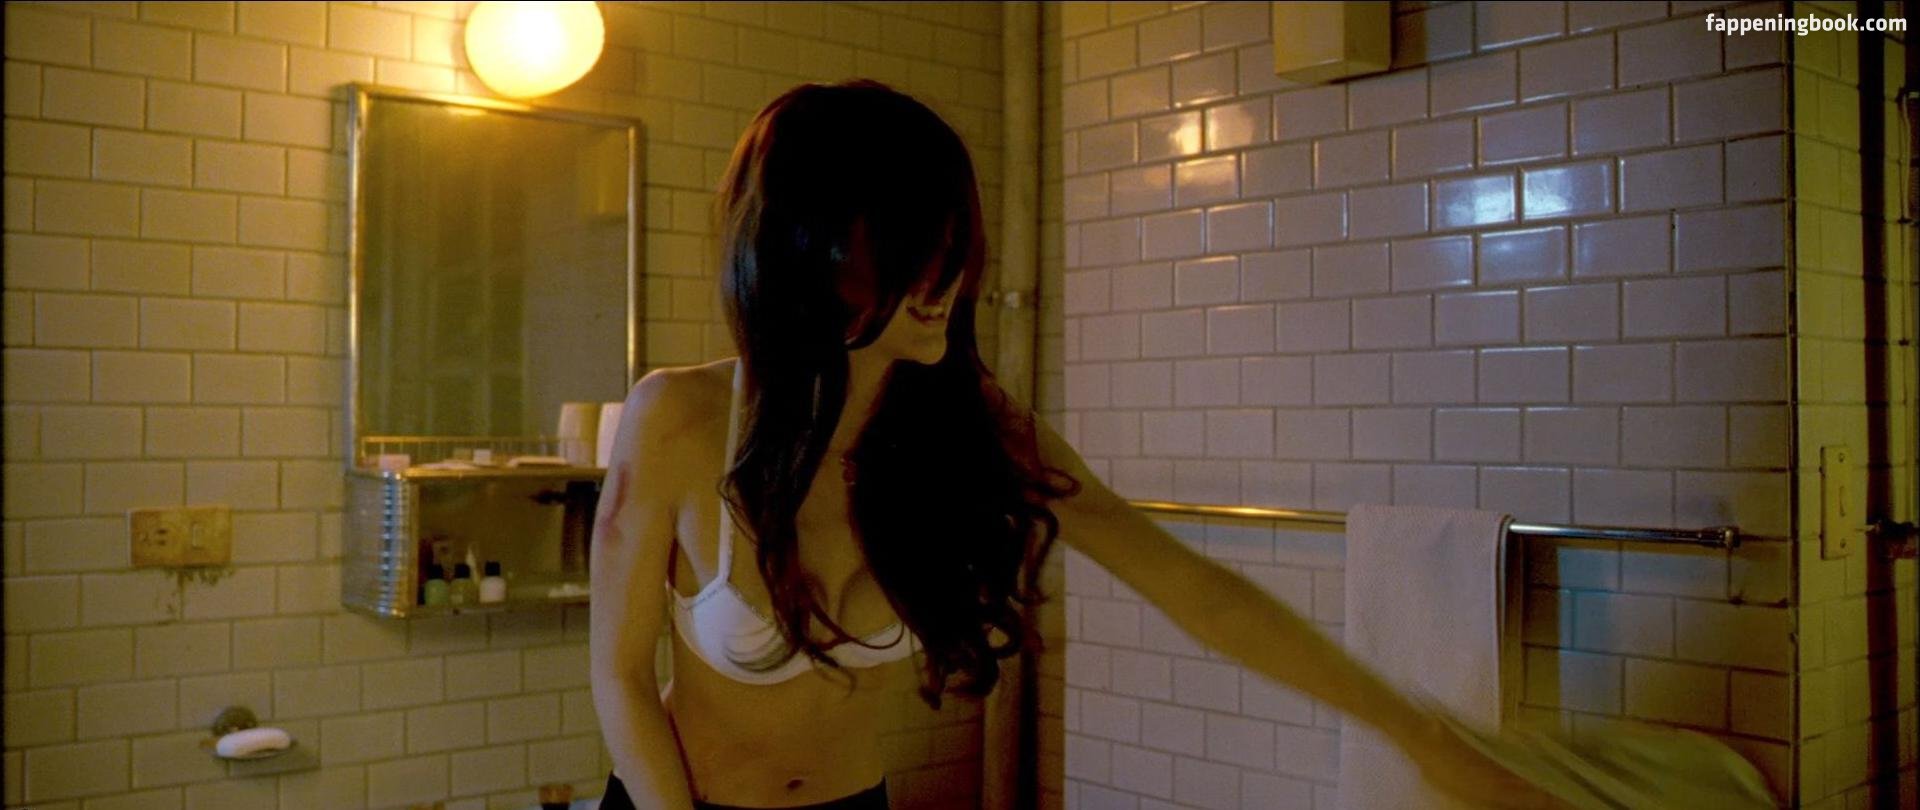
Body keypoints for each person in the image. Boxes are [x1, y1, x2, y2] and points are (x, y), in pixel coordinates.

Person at [589, 80, 1549, 810]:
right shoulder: (678, 420)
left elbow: (1194, 589)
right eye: (915, 244)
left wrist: (1418, 733)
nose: (949, 276)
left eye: (955, 242)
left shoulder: (967, 428)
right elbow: (622, 676)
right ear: (811, 247)